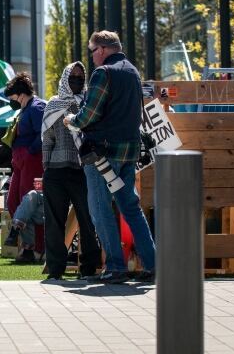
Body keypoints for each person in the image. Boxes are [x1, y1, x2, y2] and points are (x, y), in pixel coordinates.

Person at [64, 31, 156, 284]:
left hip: (102, 153)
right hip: (129, 151)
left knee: (100, 209)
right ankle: (152, 263)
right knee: (130, 207)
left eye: (92, 50)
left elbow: (89, 113)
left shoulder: (103, 73)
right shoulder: (132, 72)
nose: (92, 56)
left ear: (103, 49)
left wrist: (73, 120)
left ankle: (115, 266)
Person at [40, 61, 101, 280]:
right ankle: (56, 270)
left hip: (83, 170)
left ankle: (89, 268)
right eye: (72, 77)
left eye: (79, 77)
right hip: (55, 171)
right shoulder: (53, 104)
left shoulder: (89, 103)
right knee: (54, 222)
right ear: (65, 79)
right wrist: (46, 167)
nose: (76, 80)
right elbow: (47, 139)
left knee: (88, 220)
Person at [4, 72, 46, 263]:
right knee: (13, 201)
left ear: (20, 94)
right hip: (20, 161)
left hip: (32, 160)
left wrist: (30, 152)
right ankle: (28, 246)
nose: (11, 101)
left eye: (12, 97)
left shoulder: (37, 107)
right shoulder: (25, 108)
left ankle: (32, 248)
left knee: (27, 200)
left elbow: (42, 134)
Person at [3, 177, 45, 262]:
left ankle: (14, 232)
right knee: (31, 199)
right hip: (45, 201)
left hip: (57, 205)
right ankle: (27, 252)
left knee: (27, 211)